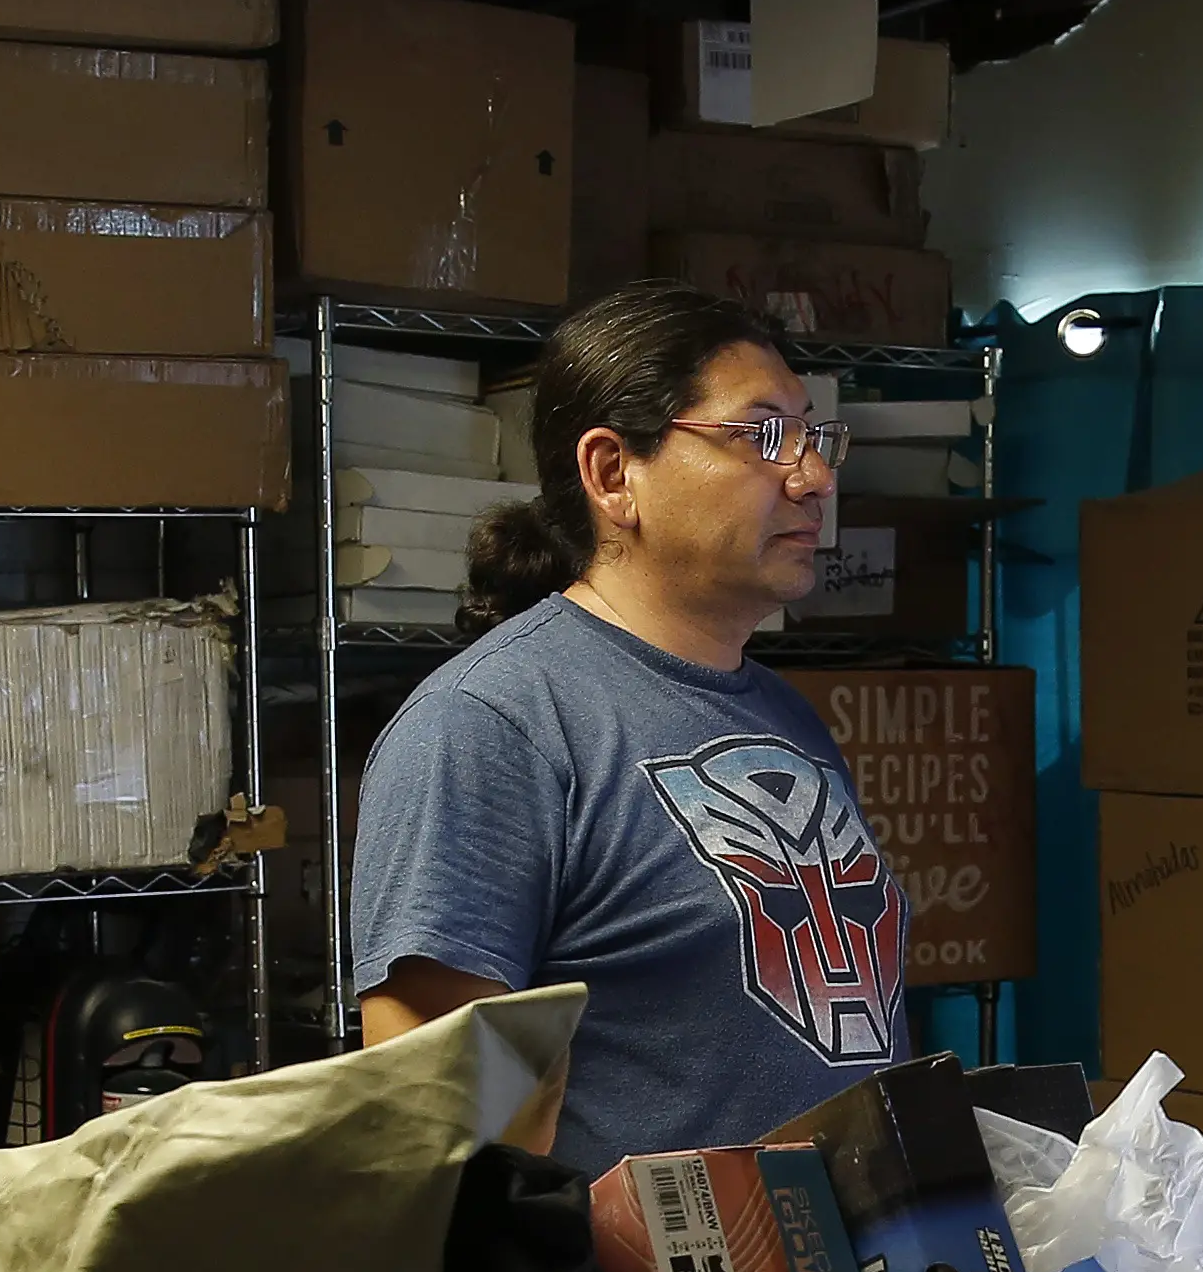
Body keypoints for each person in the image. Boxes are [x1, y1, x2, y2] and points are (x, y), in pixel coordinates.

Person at [350, 280, 906, 1162]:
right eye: (764, 435)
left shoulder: (783, 712)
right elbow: (442, 1131)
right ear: (614, 473)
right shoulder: (490, 725)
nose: (815, 477)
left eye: (813, 435)